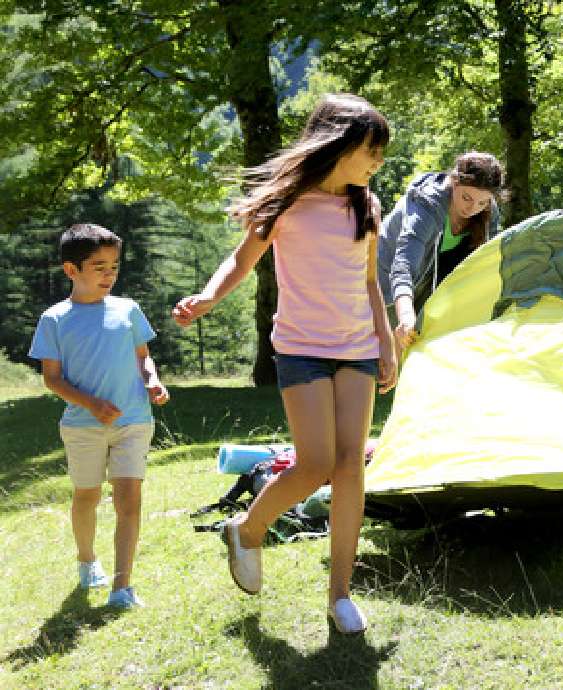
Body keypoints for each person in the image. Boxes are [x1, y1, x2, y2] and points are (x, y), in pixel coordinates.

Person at [172, 93, 397, 634]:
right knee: (316, 463)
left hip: (358, 347)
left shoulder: (366, 205)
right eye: (371, 150)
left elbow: (370, 282)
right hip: (301, 347)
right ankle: (247, 530)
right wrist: (208, 297)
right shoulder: (287, 203)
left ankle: (340, 594)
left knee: (350, 468)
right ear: (338, 145)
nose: (377, 162)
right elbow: (242, 259)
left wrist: (385, 342)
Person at [29, 223, 171, 610]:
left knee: (129, 500)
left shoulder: (128, 310)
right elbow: (52, 379)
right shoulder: (55, 319)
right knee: (87, 496)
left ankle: (123, 586)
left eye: (114, 266)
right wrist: (92, 404)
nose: (109, 274)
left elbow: (143, 357)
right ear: (71, 270)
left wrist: (153, 381)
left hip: (133, 421)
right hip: (82, 427)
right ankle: (87, 561)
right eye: (99, 266)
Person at [377, 151, 504, 351]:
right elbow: (403, 266)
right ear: (454, 182)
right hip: (387, 285)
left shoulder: (489, 211)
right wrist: (406, 317)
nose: (473, 208)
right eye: (466, 197)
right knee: (386, 355)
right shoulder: (427, 205)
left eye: (482, 203)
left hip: (433, 286)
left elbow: (489, 263)